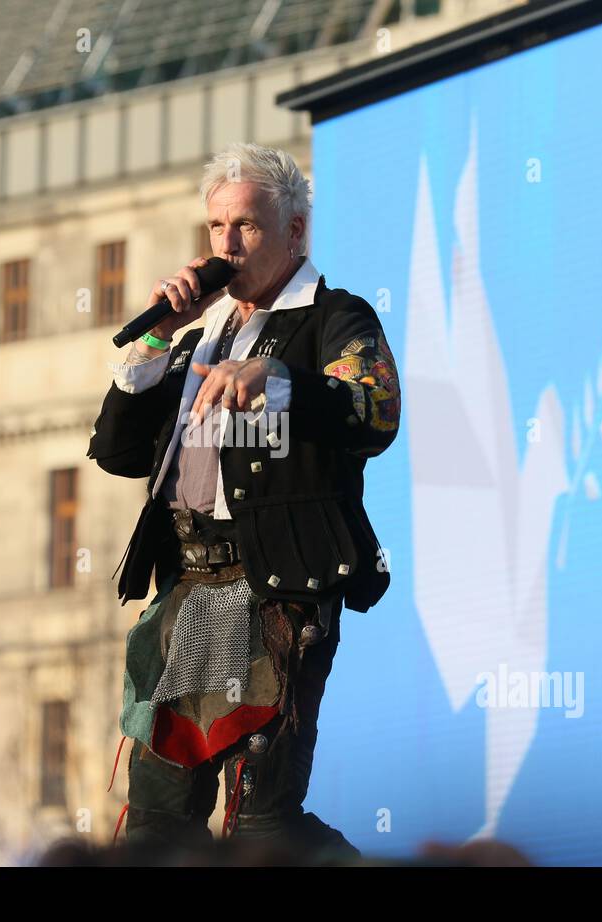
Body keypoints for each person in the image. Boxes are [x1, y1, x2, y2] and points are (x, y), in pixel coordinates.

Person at [87, 142, 401, 860]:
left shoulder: (334, 317)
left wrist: (279, 380)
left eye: (247, 226)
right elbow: (118, 452)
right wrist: (158, 336)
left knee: (263, 827)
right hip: (188, 592)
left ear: (295, 231)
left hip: (277, 592)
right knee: (155, 827)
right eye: (216, 227)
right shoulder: (199, 337)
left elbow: (375, 411)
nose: (226, 245)